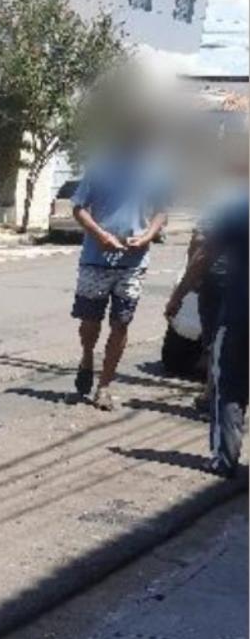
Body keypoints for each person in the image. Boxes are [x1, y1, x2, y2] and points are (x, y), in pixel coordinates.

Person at [70, 148, 170, 410]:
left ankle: (104, 386)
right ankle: (87, 357)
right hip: (95, 260)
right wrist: (100, 235)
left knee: (121, 323)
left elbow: (161, 211)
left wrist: (147, 236)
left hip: (133, 263)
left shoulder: (157, 172)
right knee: (90, 322)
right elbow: (78, 208)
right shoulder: (100, 167)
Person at [167, 187, 248, 477]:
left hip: (239, 313)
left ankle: (224, 459)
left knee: (227, 383)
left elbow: (204, 252)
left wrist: (178, 295)